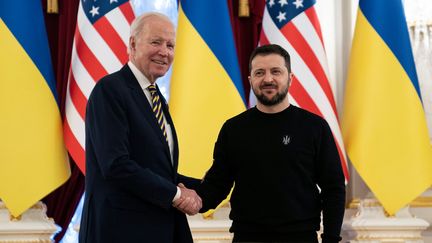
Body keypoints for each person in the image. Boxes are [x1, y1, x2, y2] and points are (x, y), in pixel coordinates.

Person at [197, 44, 346, 243]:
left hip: (301, 238)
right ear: (251, 80)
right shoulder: (233, 129)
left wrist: (331, 238)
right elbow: (217, 186)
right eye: (260, 73)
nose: (268, 79)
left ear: (290, 78)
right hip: (246, 238)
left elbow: (333, 188)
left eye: (276, 71)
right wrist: (182, 195)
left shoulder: (315, 127)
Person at [79, 12, 202, 243]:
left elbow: (158, 171)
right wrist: (177, 195)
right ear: (133, 44)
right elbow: (116, 165)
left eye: (170, 45)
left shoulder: (156, 99)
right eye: (156, 42)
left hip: (158, 230)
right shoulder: (110, 90)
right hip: (119, 233)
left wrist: (211, 184)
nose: (164, 52)